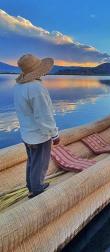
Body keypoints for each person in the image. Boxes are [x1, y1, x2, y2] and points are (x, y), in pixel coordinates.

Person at [14, 54, 60, 198]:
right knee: (40, 163)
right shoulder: (36, 88)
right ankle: (37, 189)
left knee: (32, 161)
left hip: (27, 133)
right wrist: (54, 134)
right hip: (39, 135)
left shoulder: (19, 86)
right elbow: (43, 115)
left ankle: (31, 186)